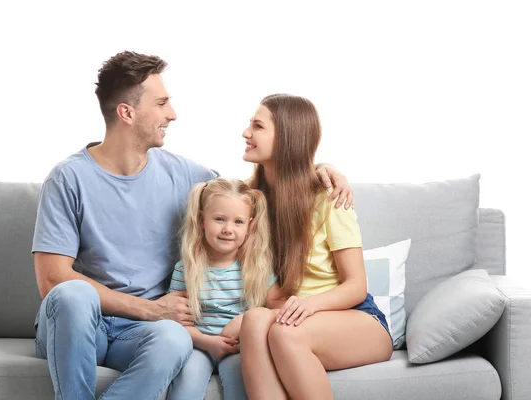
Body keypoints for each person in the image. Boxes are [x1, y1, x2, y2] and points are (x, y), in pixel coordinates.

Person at [32, 51, 353, 400]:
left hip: (145, 332)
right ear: (127, 112)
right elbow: (52, 279)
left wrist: (319, 169)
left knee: (174, 339)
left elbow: (242, 198)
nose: (172, 113)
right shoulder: (68, 178)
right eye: (162, 103)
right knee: (74, 295)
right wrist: (151, 309)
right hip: (82, 326)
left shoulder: (186, 176)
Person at [240, 94, 394, 400]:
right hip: (289, 314)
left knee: (285, 333)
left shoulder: (329, 196)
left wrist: (308, 304)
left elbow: (356, 286)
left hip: (356, 319)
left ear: (287, 139)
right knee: (254, 320)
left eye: (257, 126)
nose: (246, 133)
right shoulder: (248, 197)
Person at [166, 178, 281, 400]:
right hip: (199, 346)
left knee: (242, 385)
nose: (228, 229)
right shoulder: (187, 268)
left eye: (238, 222)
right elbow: (176, 321)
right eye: (219, 219)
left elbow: (279, 309)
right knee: (186, 384)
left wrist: (245, 321)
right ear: (202, 220)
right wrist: (207, 342)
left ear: (250, 225)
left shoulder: (257, 268)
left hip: (238, 350)